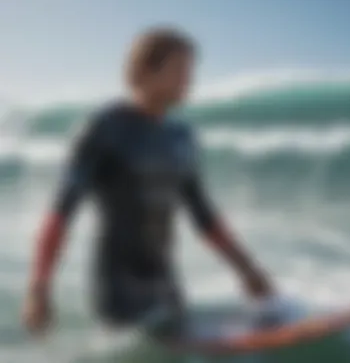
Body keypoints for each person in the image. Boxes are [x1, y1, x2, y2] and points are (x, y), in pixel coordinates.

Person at [22, 27, 275, 334]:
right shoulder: (105, 128)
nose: (189, 79)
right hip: (119, 288)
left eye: (190, 70)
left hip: (166, 284)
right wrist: (39, 289)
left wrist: (247, 270)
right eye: (180, 69)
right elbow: (62, 211)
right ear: (145, 70)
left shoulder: (181, 138)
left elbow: (204, 216)